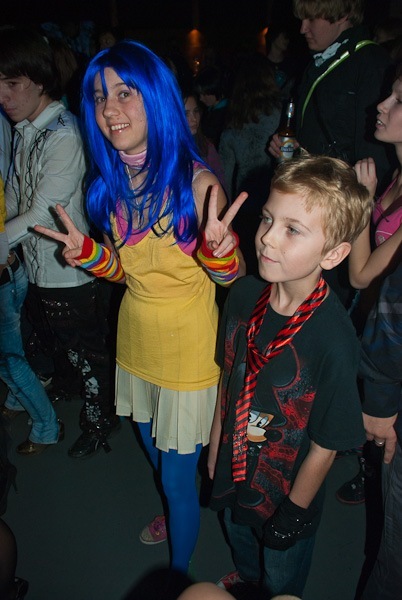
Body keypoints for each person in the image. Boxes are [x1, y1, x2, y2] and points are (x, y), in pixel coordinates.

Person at [34, 40, 246, 576]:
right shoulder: (111, 183)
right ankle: (175, 507)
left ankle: (178, 576)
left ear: (156, 97)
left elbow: (232, 277)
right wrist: (89, 255)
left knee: (175, 478)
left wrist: (220, 253)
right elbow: (126, 272)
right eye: (99, 96)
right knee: (152, 448)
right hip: (135, 338)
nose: (109, 109)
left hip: (187, 346)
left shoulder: (198, 185)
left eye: (124, 93)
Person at [208, 155, 372, 598]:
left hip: (284, 490)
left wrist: (294, 512)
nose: (267, 238)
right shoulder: (243, 295)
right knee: (240, 541)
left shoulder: (334, 338)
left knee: (281, 577)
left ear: (333, 254)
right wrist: (215, 445)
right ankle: (247, 580)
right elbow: (230, 379)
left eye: (292, 230)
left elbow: (326, 443)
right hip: (234, 462)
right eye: (267, 218)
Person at [0, 27, 118, 459]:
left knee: (88, 354)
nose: (3, 96)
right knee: (66, 348)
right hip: (41, 267)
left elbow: (38, 212)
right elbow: (16, 195)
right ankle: (80, 394)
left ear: (39, 81)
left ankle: (101, 423)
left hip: (71, 271)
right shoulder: (25, 129)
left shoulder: (64, 133)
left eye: (12, 83)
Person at [268, 0, 394, 308]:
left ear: (343, 15)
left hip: (336, 220)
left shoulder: (370, 62)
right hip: (307, 209)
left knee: (323, 309)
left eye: (312, 19)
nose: (303, 29)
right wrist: (293, 154)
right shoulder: (318, 62)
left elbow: (372, 160)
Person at [336, 62, 402, 505]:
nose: (381, 105)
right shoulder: (395, 173)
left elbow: (361, 273)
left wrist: (361, 198)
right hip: (371, 319)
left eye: (398, 100)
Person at [219, 52, 282, 274]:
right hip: (277, 196)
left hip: (244, 202)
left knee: (248, 264)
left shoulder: (232, 125)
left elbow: (224, 177)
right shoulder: (283, 117)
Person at [183, 92, 226, 190]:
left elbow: (221, 181)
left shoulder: (206, 146)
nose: (194, 119)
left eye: (196, 111)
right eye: (186, 114)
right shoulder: (165, 151)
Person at [194, 66, 229, 150]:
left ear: (214, 90)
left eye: (204, 94)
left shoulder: (223, 114)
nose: (201, 98)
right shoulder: (211, 109)